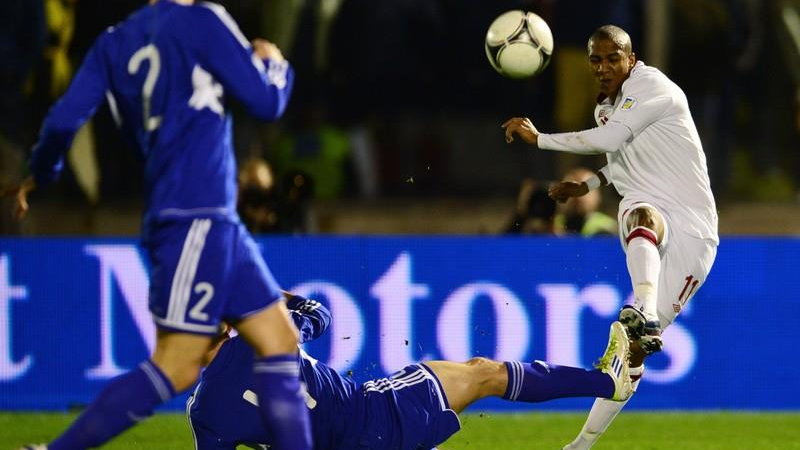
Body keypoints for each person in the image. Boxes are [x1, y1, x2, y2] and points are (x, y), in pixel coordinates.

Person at [4, 1, 313, 449]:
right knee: (177, 364)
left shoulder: (113, 43)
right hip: (194, 218)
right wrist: (274, 65)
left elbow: (64, 120)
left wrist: (42, 174)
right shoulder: (203, 19)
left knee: (280, 340)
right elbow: (266, 102)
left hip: (210, 220)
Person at [502, 25, 718, 449]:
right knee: (639, 210)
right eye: (595, 60)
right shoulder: (607, 109)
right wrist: (589, 184)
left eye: (611, 58)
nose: (602, 68)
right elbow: (621, 160)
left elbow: (614, 138)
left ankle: (644, 313)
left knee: (632, 354)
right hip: (653, 213)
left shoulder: (652, 85)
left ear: (631, 59)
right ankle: (580, 445)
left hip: (695, 229)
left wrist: (540, 138)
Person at [188, 293, 635, 450]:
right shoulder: (260, 338)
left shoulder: (203, 413)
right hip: (379, 414)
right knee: (483, 373)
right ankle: (609, 381)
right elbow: (318, 314)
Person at [554, 167, 616, 237]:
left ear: (598, 196)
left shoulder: (608, 227)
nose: (577, 197)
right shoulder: (551, 226)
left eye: (585, 191)